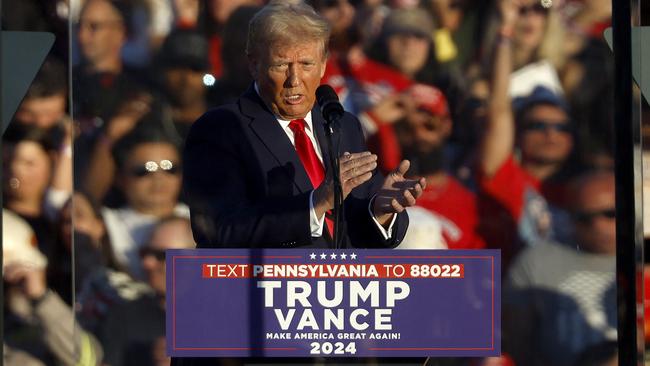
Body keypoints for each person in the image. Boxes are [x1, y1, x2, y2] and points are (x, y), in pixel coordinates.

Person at [183, 1, 425, 249]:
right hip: (264, 286)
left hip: (343, 287)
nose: (294, 80)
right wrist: (316, 203)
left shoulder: (342, 125)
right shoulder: (221, 129)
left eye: (306, 64)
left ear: (322, 65)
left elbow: (351, 234)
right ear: (254, 64)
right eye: (281, 65)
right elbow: (217, 230)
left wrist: (380, 210)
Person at [503, 171, 617, 366]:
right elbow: (515, 344)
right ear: (570, 218)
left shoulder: (643, 261)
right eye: (584, 217)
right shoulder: (536, 261)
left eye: (610, 214)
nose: (598, 226)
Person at [98, 216, 195, 366]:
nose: (147, 263)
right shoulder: (124, 315)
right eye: (145, 253)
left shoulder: (223, 316)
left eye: (161, 255)